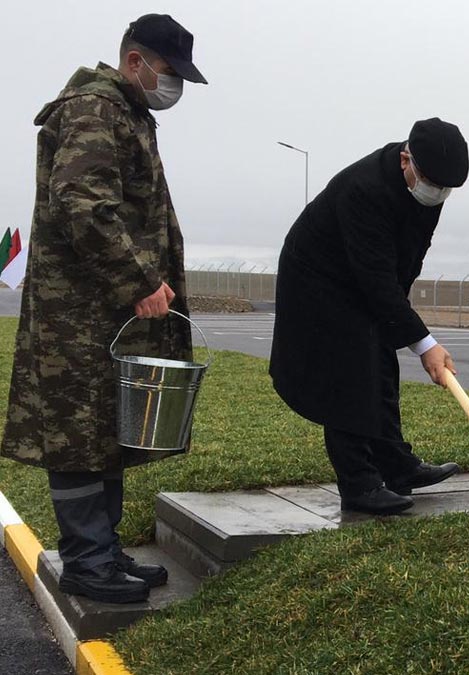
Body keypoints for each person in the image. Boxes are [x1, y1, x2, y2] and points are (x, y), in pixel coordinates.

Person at [0, 14, 207, 604]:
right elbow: (83, 203)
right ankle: (87, 562)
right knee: (78, 433)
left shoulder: (125, 112)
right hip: (79, 312)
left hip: (102, 312)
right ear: (135, 61)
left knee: (103, 429)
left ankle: (103, 551)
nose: (176, 88)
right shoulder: (96, 109)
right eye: (170, 73)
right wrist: (137, 279)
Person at [270, 119, 468, 517]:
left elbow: (406, 261)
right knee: (349, 374)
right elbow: (375, 278)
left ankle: (397, 464)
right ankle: (359, 484)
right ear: (405, 159)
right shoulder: (365, 189)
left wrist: (401, 320)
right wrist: (424, 342)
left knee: (380, 361)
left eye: (446, 188)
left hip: (362, 278)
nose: (439, 193)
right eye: (432, 182)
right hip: (318, 279)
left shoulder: (428, 191)